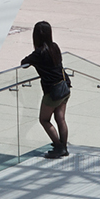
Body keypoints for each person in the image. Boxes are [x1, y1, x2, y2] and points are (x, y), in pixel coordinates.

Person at [22, 20, 70, 160]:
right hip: (64, 87)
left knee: (44, 119)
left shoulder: (38, 53)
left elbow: (23, 63)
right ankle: (64, 147)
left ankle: (58, 146)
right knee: (60, 118)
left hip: (52, 92)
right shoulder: (55, 47)